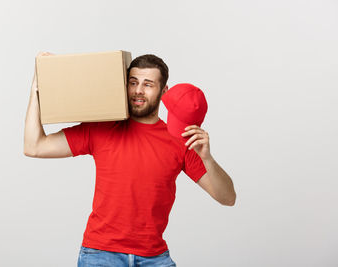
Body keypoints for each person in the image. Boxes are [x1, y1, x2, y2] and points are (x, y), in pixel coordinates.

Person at [24, 51, 236, 267]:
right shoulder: (102, 128)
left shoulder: (178, 140)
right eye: (133, 82)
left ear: (164, 92)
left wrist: (207, 158)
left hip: (154, 257)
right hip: (101, 254)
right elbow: (34, 146)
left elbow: (228, 198)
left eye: (148, 84)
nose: (138, 91)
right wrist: (36, 91)